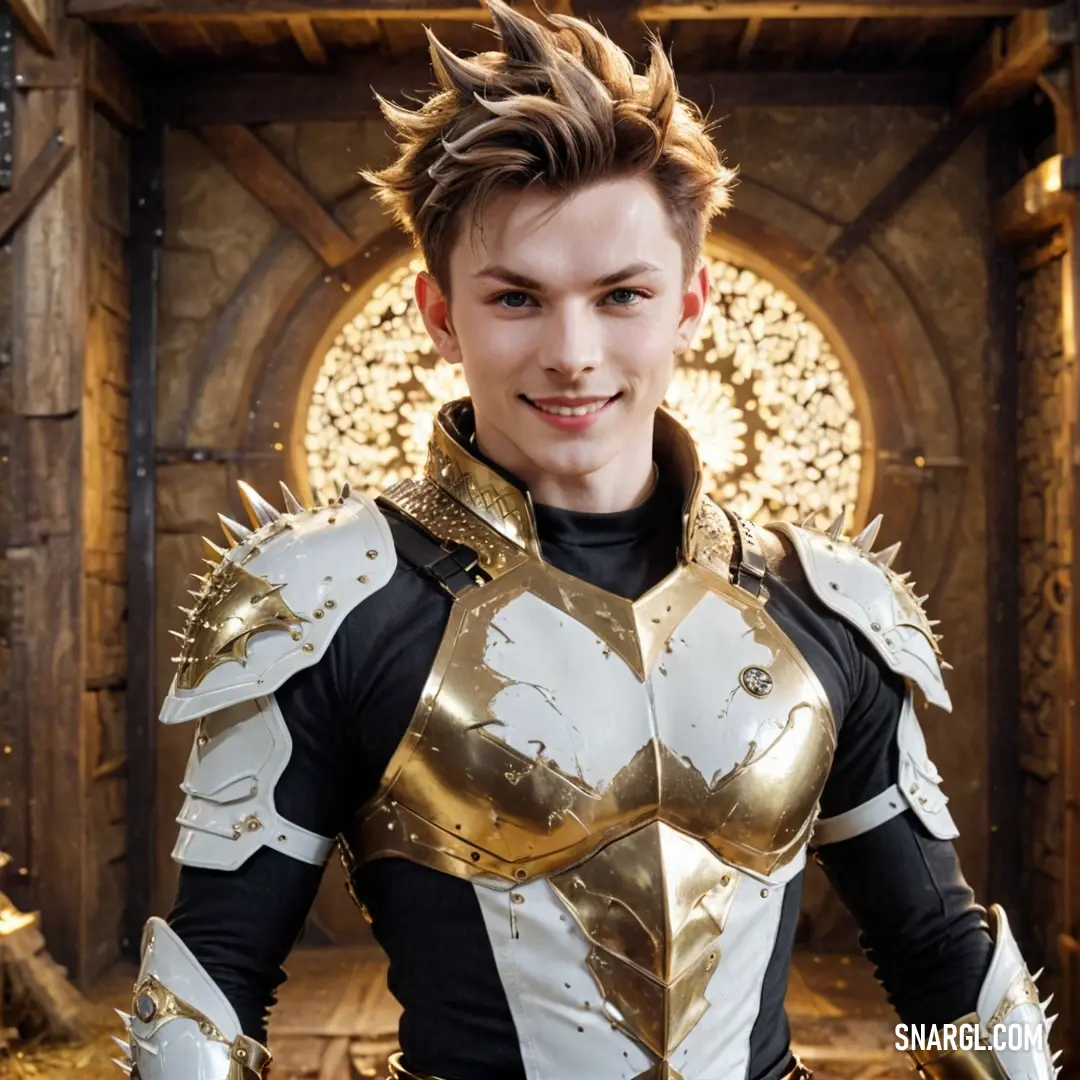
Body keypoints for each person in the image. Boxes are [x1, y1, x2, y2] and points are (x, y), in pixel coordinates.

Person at [114, 4, 1057, 1079]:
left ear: (690, 302)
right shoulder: (325, 604)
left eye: (622, 296)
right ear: (438, 312)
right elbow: (211, 982)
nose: (573, 352)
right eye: (518, 297)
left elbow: (941, 962)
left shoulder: (827, 607)